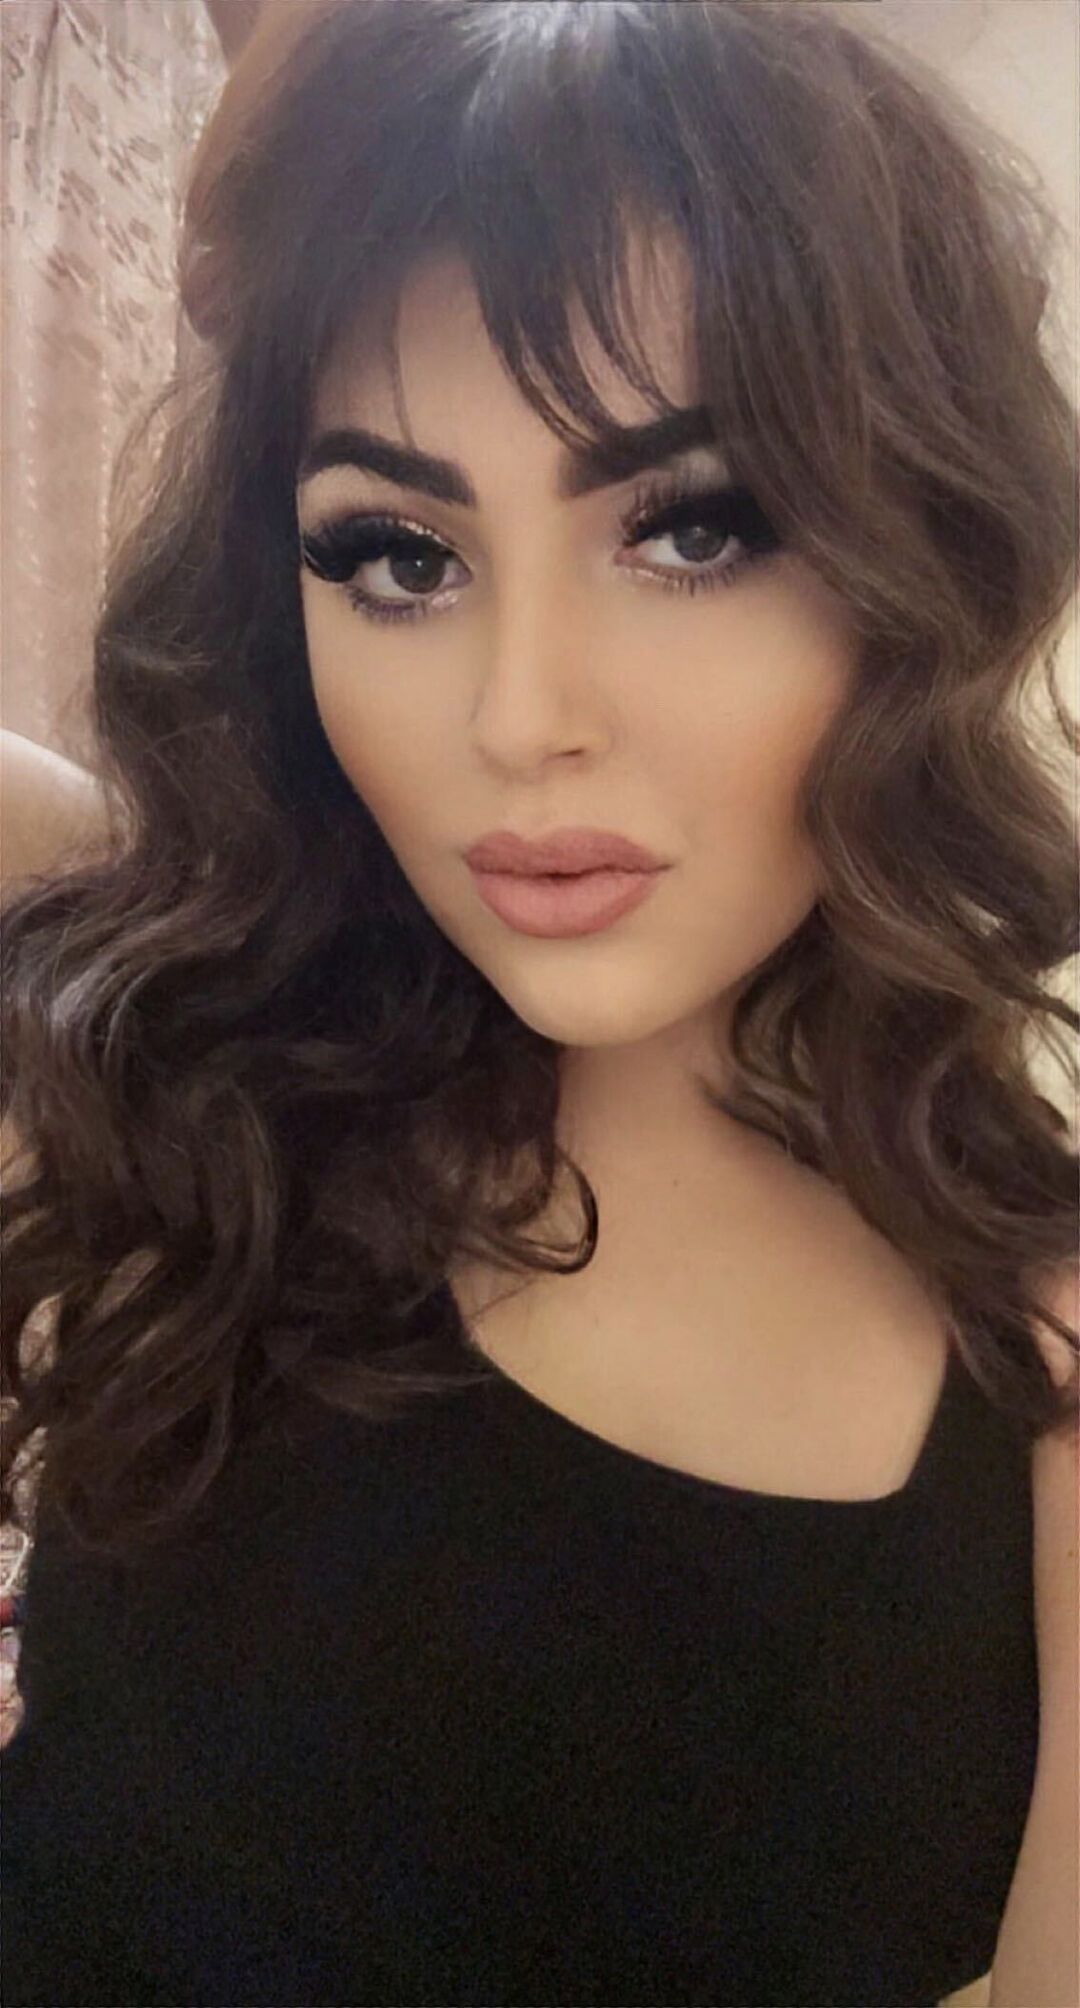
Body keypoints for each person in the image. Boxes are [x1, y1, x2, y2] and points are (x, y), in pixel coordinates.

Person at [1, 4, 1077, 2004]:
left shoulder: (1046, 1368)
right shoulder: (173, 1024)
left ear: (923, 561)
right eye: (398, 555)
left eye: (693, 527)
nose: (520, 716)